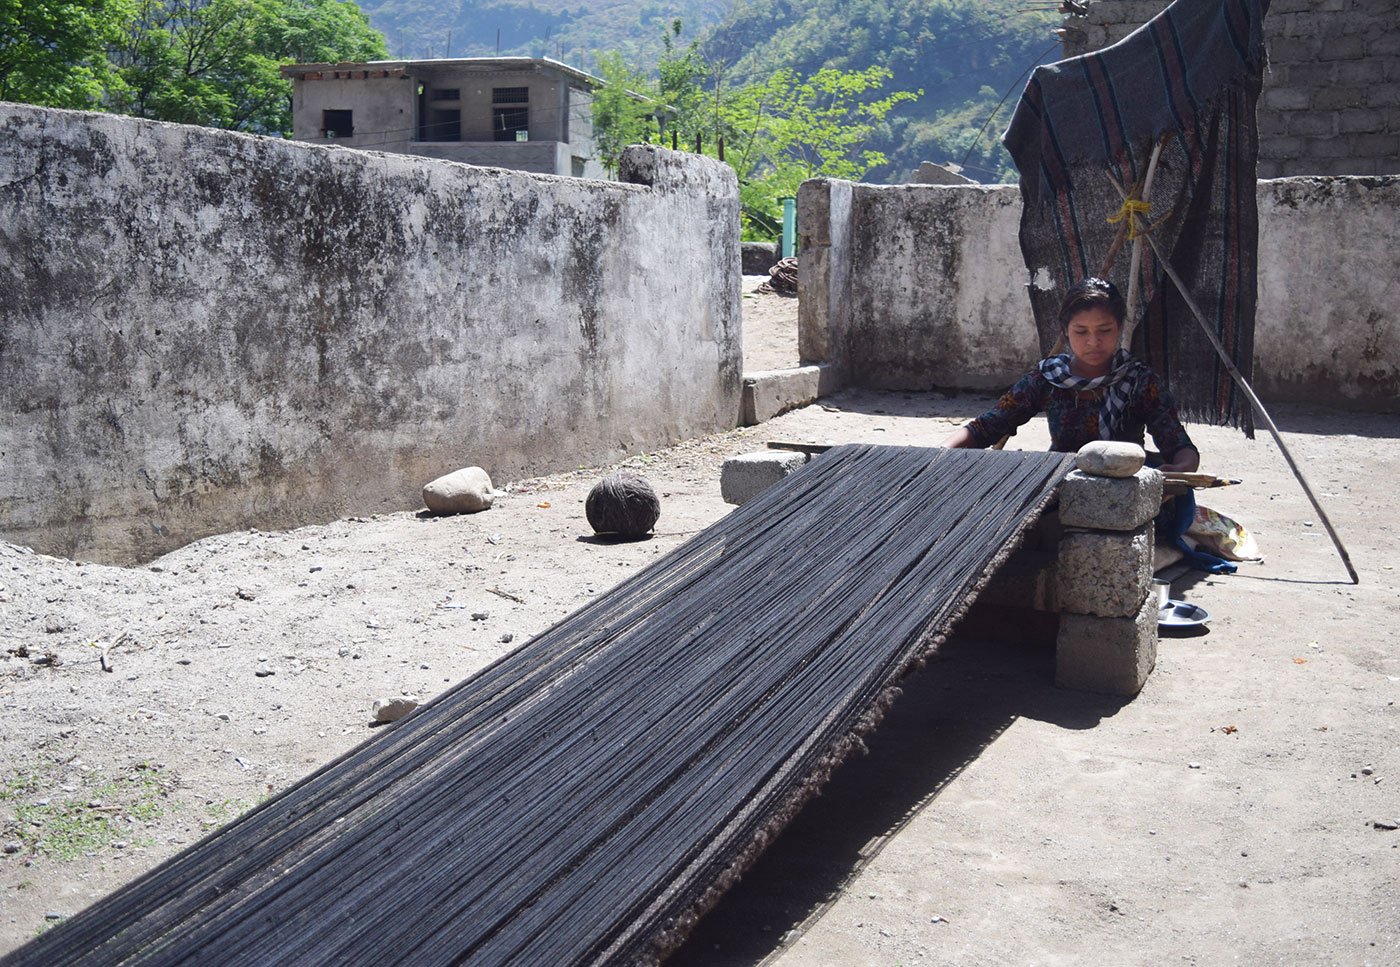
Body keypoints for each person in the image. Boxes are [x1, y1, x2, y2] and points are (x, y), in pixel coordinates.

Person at [941, 276, 1200, 472]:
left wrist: (1180, 470)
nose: (1093, 341)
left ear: (1120, 327)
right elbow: (987, 426)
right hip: (1063, 480)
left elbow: (1177, 443)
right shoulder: (1047, 378)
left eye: (1105, 330)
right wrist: (939, 456)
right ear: (1065, 331)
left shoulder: (1139, 381)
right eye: (1081, 331)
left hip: (1126, 481)